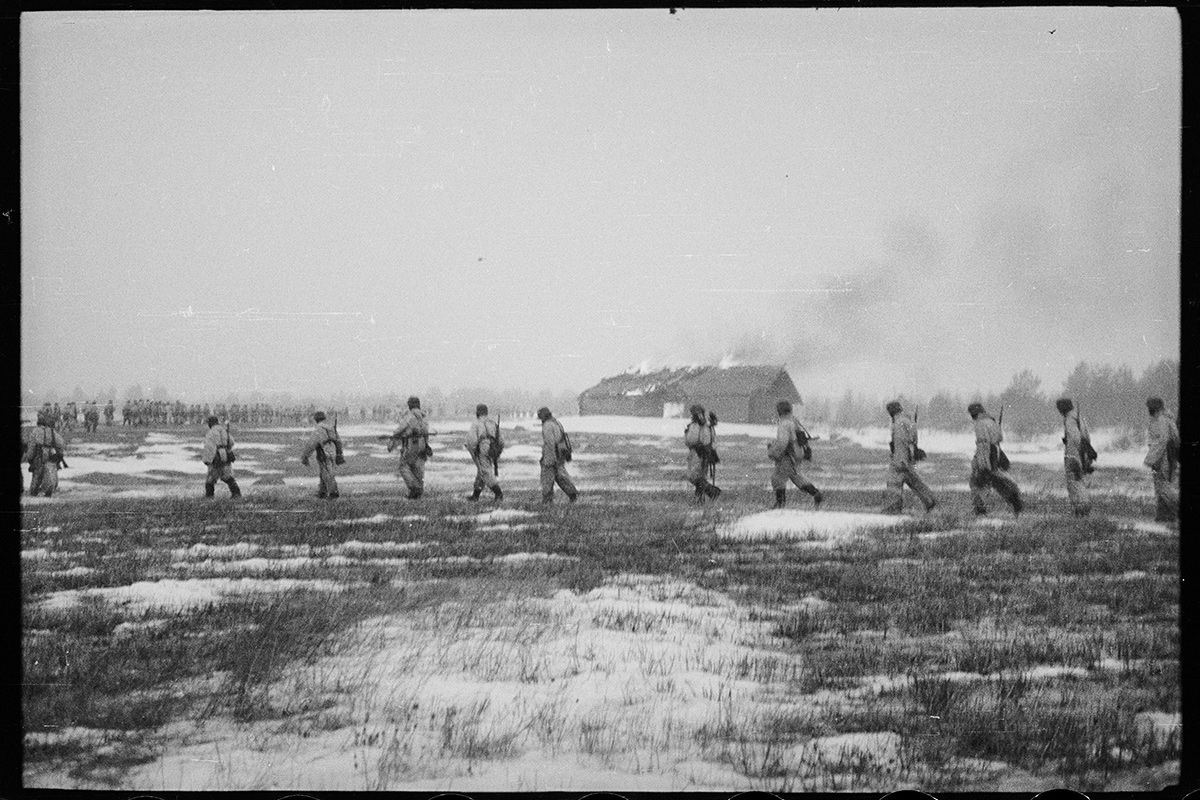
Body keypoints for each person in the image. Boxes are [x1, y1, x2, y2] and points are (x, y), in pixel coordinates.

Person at [968, 402, 1022, 517]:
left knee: (976, 481)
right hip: (995, 452)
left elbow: (983, 444)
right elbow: (999, 437)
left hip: (987, 455)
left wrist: (983, 464)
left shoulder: (980, 424)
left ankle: (979, 508)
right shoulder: (991, 421)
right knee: (997, 482)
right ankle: (1014, 500)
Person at [883, 400, 936, 514]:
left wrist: (900, 459)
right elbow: (912, 440)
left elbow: (901, 442)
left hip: (901, 457)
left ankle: (893, 508)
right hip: (908, 456)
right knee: (914, 481)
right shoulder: (908, 420)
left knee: (894, 483)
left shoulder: (899, 423)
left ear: (892, 411)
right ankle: (930, 501)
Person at [767, 399, 822, 509]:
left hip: (788, 456)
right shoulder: (794, 421)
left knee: (778, 478)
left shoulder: (784, 424)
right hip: (797, 454)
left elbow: (783, 442)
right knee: (796, 476)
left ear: (779, 411)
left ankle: (780, 505)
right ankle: (816, 494)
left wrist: (773, 452)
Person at [1144, 396, 1179, 523]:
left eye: (1149, 406)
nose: (1148, 409)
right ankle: (1164, 515)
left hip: (1163, 456)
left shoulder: (1160, 421)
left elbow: (1161, 442)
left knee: (1162, 484)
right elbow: (1175, 438)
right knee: (1164, 484)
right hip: (1169, 455)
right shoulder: (1167, 419)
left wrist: (1152, 459)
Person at [388, 396, 431, 499]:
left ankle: (415, 488)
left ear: (410, 405)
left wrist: (391, 444)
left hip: (411, 445)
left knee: (403, 466)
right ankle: (417, 493)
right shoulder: (424, 417)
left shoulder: (409, 417)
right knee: (418, 469)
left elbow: (398, 431)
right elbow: (426, 433)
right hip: (422, 444)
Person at [1056, 398, 1092, 517]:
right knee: (1079, 481)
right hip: (1081, 455)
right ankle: (1083, 507)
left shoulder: (1070, 419)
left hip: (1073, 455)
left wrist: (1076, 450)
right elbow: (1086, 436)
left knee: (1073, 482)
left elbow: (1077, 438)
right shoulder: (1079, 417)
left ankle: (1081, 509)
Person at [538, 407, 578, 504]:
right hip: (561, 454)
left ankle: (547, 500)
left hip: (551, 455)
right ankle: (572, 494)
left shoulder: (547, 425)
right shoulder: (557, 423)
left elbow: (550, 443)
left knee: (547, 478)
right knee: (561, 477)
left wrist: (549, 459)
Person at [464, 403, 503, 502]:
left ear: (477, 412)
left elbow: (471, 441)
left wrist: (473, 450)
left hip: (482, 448)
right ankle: (475, 495)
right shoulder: (493, 423)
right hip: (492, 449)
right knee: (481, 472)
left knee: (485, 472)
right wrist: (497, 452)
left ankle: (498, 493)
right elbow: (501, 441)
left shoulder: (476, 423)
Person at [683, 404, 721, 502]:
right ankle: (699, 500)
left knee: (694, 477)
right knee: (701, 477)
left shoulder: (697, 426)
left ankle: (712, 491)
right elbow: (712, 441)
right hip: (705, 454)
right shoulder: (707, 426)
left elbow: (690, 441)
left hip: (697, 453)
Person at [301, 411, 343, 499]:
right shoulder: (331, 428)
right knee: (324, 471)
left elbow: (311, 444)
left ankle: (333, 493)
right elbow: (338, 441)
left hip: (324, 451)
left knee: (327, 472)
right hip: (333, 450)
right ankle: (322, 492)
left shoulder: (318, 429)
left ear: (316, 420)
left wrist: (305, 457)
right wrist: (339, 454)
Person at [25, 409, 67, 498]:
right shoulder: (52, 431)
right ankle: (49, 492)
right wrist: (59, 454)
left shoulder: (35, 432)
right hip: (50, 456)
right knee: (50, 474)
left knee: (37, 475)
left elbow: (32, 447)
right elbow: (61, 443)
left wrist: (29, 458)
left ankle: (34, 493)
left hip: (39, 456)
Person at [201, 415, 242, 498]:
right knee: (227, 475)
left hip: (216, 456)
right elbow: (231, 442)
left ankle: (209, 496)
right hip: (226, 454)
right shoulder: (224, 430)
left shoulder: (211, 433)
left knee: (211, 477)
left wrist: (207, 460)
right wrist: (225, 448)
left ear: (210, 423)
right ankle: (236, 493)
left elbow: (209, 447)